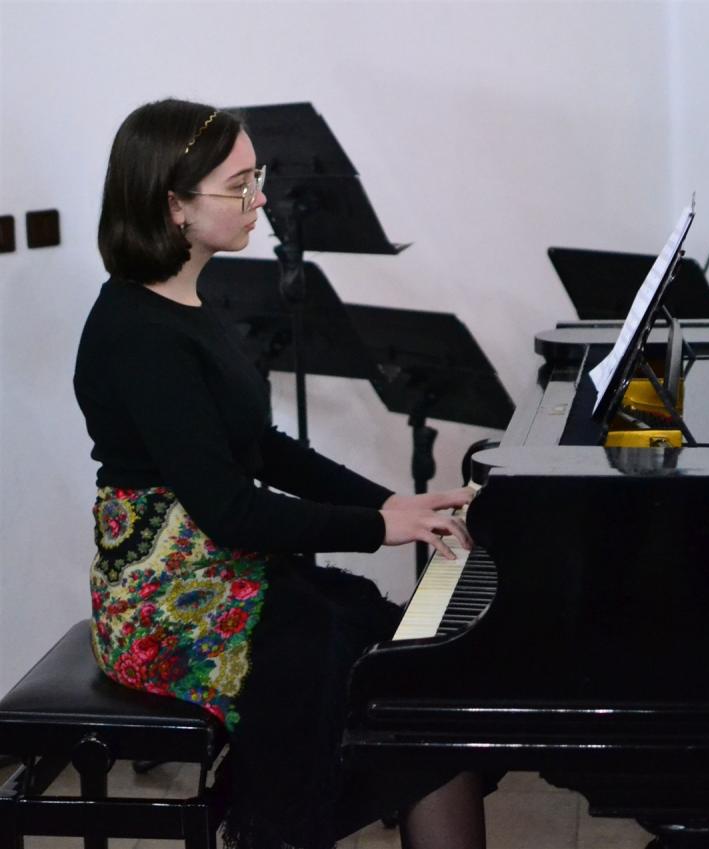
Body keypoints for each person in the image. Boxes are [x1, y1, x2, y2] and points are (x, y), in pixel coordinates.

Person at [75, 98, 486, 849]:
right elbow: (232, 509)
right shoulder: (140, 334)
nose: (259, 200)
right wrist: (378, 528)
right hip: (166, 606)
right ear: (174, 205)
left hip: (222, 569)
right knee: (341, 662)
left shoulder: (189, 303)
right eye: (239, 186)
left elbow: (263, 447)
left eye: (255, 178)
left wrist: (391, 502)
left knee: (407, 674)